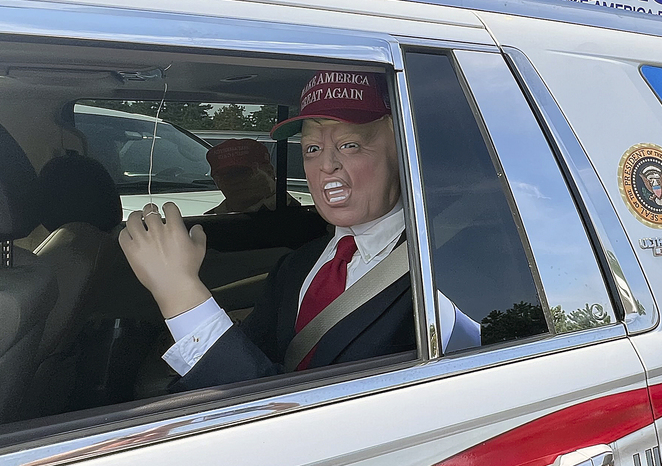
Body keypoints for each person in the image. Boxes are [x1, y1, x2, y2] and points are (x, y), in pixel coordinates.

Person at [118, 69, 432, 390]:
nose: (326, 165)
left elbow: (297, 418)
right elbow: (255, 361)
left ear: (402, 150)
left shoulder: (436, 277)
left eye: (349, 145)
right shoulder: (297, 265)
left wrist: (180, 293)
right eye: (311, 149)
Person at [204, 137, 282, 215]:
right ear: (216, 181)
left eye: (242, 172)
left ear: (270, 172)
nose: (235, 181)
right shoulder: (208, 221)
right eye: (225, 176)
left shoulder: (289, 215)